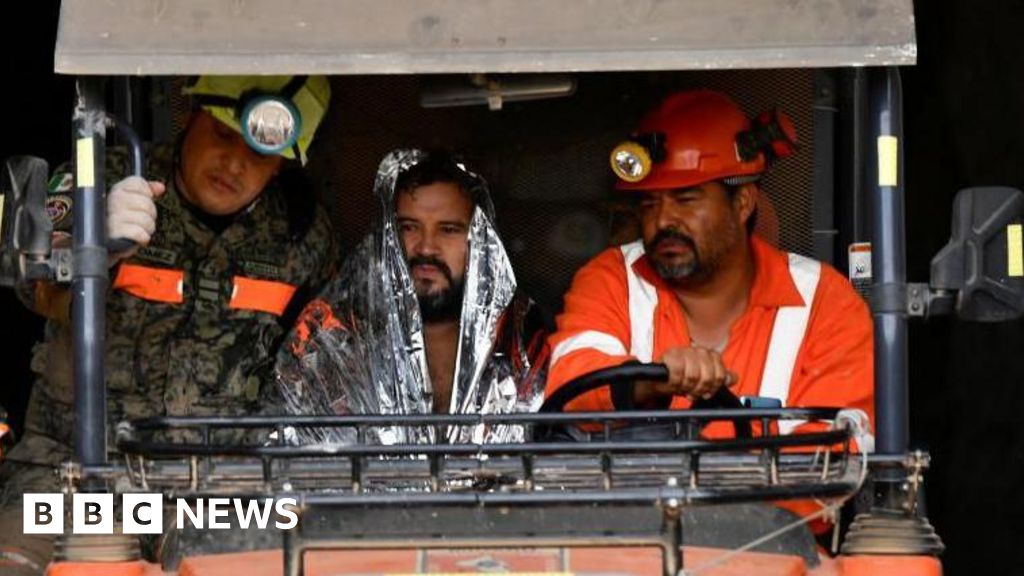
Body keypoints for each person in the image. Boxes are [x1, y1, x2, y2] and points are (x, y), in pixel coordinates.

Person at [0, 75, 336, 575]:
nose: (234, 164)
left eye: (260, 153)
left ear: (284, 160)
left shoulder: (304, 234)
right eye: (223, 135)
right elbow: (39, 290)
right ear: (193, 113)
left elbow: (321, 372)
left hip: (221, 490)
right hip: (72, 473)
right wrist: (95, 247)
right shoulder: (102, 177)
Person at [545, 90, 873, 441]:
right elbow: (570, 382)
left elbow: (841, 447)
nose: (663, 220)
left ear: (743, 202)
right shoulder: (612, 279)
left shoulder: (824, 300)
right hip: (630, 498)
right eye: (650, 204)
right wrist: (650, 382)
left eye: (686, 199)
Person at [277, 149, 548, 444]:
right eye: (409, 227)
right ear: (387, 235)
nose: (426, 247)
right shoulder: (332, 340)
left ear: (481, 242)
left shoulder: (521, 339)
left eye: (448, 229)